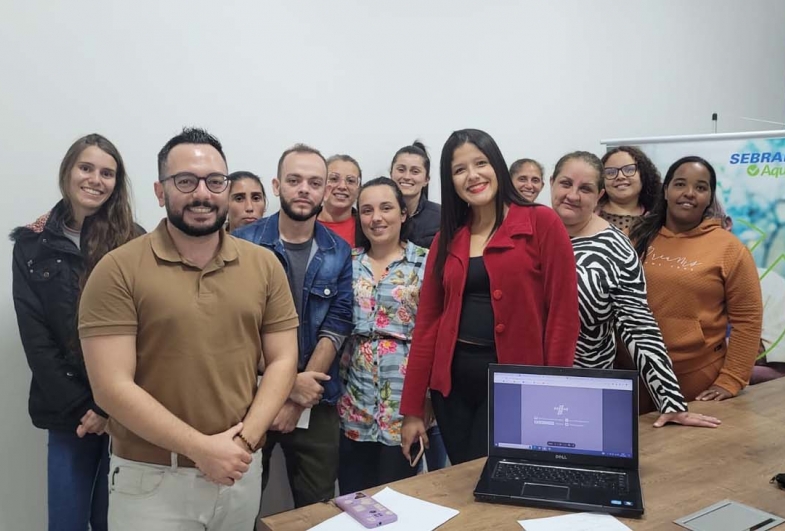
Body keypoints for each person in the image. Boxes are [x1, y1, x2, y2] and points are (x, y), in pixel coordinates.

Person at [78, 128, 299, 530]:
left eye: (215, 181)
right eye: (185, 181)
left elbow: (283, 359)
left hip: (239, 471)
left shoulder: (264, 265)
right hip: (151, 481)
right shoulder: (118, 269)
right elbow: (111, 386)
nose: (202, 193)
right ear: (161, 192)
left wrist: (242, 443)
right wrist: (202, 449)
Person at [399, 129, 579, 466]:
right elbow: (427, 324)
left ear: (496, 165)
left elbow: (563, 317)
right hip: (451, 391)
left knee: (494, 477)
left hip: (516, 387)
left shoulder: (541, 223)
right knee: (462, 481)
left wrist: (553, 392)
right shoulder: (447, 239)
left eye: (480, 163)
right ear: (450, 181)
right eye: (459, 169)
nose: (473, 175)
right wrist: (411, 411)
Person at [11, 134, 143, 531]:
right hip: (69, 413)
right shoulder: (32, 245)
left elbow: (147, 330)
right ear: (68, 171)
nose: (95, 180)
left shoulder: (134, 241)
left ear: (116, 183)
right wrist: (85, 407)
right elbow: (36, 338)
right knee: (65, 523)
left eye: (107, 173)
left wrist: (109, 405)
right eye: (86, 168)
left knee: (115, 521)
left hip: (126, 412)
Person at [549, 151, 720, 428]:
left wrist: (671, 402)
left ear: (599, 195)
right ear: (552, 183)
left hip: (585, 390)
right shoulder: (531, 235)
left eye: (586, 188)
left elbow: (639, 328)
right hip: (528, 382)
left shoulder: (615, 248)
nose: (573, 195)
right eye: (566, 184)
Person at [233, 144, 353, 508]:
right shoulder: (242, 244)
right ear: (277, 185)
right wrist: (285, 384)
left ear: (325, 191)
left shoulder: (339, 250)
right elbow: (233, 328)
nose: (304, 189)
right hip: (249, 396)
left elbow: (339, 320)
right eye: (295, 180)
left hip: (316, 401)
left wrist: (299, 397)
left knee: (317, 511)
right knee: (241, 503)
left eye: (314, 182)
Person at [630, 156, 763, 402]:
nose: (689, 193)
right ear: (666, 190)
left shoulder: (730, 249)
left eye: (700, 187)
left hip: (694, 379)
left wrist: (731, 378)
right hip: (633, 374)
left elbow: (748, 319)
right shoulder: (637, 238)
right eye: (680, 184)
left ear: (710, 197)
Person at [337, 177, 428, 493]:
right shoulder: (347, 263)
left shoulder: (426, 262)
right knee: (353, 500)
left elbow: (434, 339)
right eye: (367, 210)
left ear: (403, 214)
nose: (376, 217)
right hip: (354, 405)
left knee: (398, 503)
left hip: (404, 407)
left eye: (386, 208)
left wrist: (419, 410)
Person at [598, 146, 662, 233]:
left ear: (643, 174)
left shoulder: (658, 217)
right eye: (610, 172)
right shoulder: (589, 214)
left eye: (629, 170)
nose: (620, 176)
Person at [390, 141, 440, 248]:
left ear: (426, 180)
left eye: (415, 171)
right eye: (401, 170)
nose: (407, 176)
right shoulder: (378, 214)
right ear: (391, 173)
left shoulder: (440, 217)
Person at [317, 154, 362, 247]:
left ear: (359, 189)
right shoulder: (302, 224)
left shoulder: (367, 229)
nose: (342, 186)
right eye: (334, 179)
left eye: (351, 181)